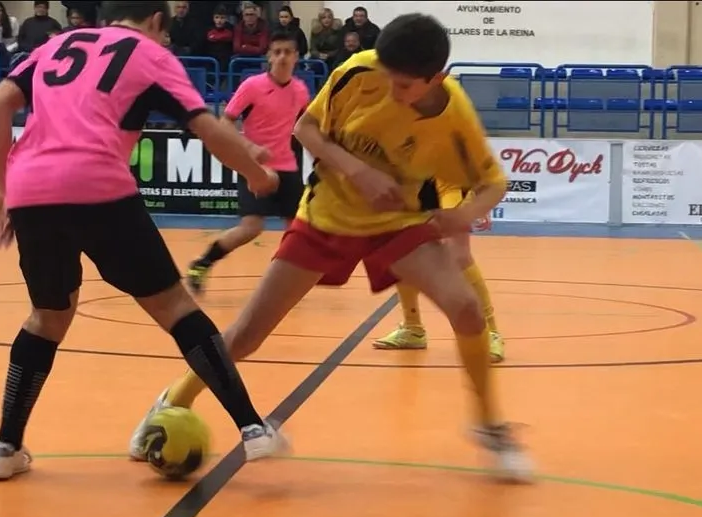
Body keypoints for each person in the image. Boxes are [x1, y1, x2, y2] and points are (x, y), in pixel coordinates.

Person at [129, 12, 533, 482]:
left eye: (404, 86)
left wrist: (462, 215)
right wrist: (357, 171)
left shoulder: (455, 115)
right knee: (246, 335)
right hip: (327, 215)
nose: (391, 90)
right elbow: (306, 130)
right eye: (388, 77)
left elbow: (492, 184)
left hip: (397, 221)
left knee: (465, 308)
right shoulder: (360, 70)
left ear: (436, 79)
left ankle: (490, 426)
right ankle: (171, 401)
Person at [0, 0, 290, 480]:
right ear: (156, 21)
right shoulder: (149, 53)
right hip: (97, 183)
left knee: (48, 315)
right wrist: (256, 174)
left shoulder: (57, 44)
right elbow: (205, 126)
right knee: (175, 306)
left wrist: (6, 189)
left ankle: (5, 446)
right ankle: (253, 428)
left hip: (32, 190)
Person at [186, 30, 310, 294]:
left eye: (288, 52)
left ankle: (282, 280)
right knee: (251, 227)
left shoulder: (300, 91)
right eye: (277, 52)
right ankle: (202, 263)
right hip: (255, 168)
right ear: (269, 56)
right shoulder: (252, 86)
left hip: (288, 168)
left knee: (298, 230)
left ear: (296, 57)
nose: (282, 57)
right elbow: (225, 122)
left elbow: (305, 126)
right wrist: (250, 147)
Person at [372, 185, 505, 363]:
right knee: (402, 250)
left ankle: (490, 332)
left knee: (458, 254)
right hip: (414, 182)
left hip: (449, 182)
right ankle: (412, 328)